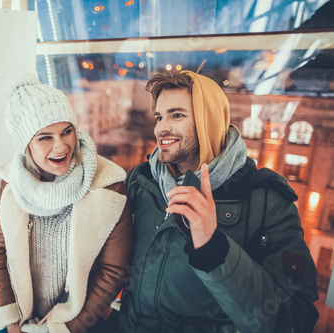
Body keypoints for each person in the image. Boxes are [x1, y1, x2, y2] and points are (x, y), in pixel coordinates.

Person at [118, 70, 319, 332]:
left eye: (177, 115)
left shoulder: (266, 200)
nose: (161, 128)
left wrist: (213, 248)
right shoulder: (142, 180)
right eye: (159, 116)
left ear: (207, 121)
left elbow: (295, 320)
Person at [0, 73, 133, 333]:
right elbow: (1, 250)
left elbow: (113, 270)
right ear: (26, 144)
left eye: (66, 132)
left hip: (84, 323)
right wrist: (11, 321)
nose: (61, 146)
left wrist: (64, 327)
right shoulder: (11, 182)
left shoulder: (109, 184)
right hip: (23, 321)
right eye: (45, 137)